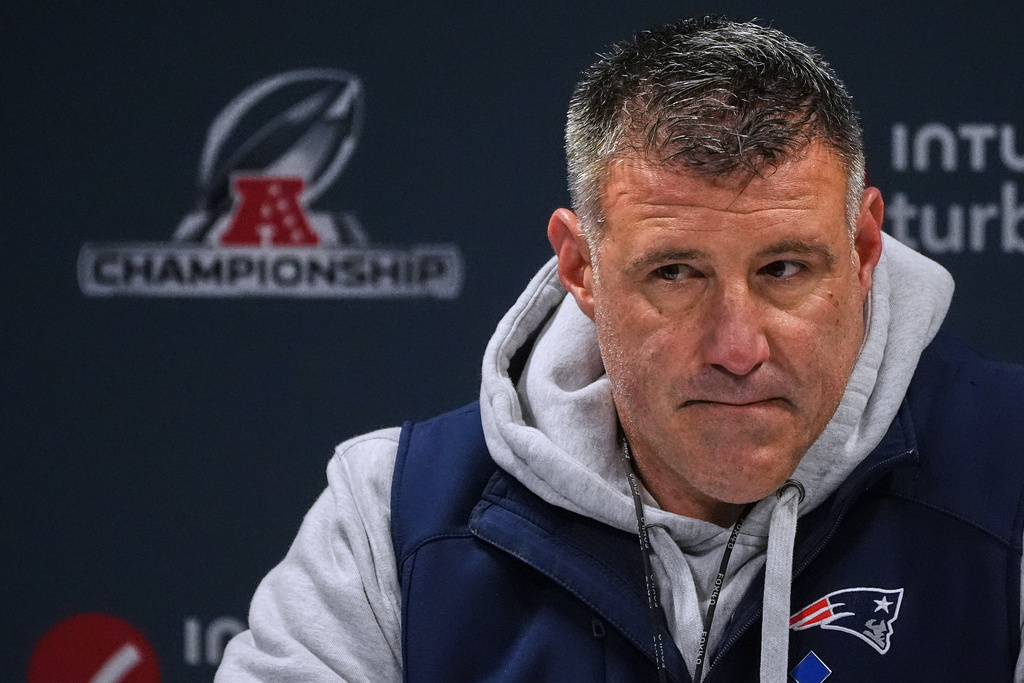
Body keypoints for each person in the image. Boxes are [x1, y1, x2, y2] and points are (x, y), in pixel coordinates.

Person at [216, 16, 1024, 682]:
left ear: (862, 246)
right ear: (581, 268)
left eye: (784, 269)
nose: (737, 348)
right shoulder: (394, 518)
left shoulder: (1010, 472)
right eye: (675, 272)